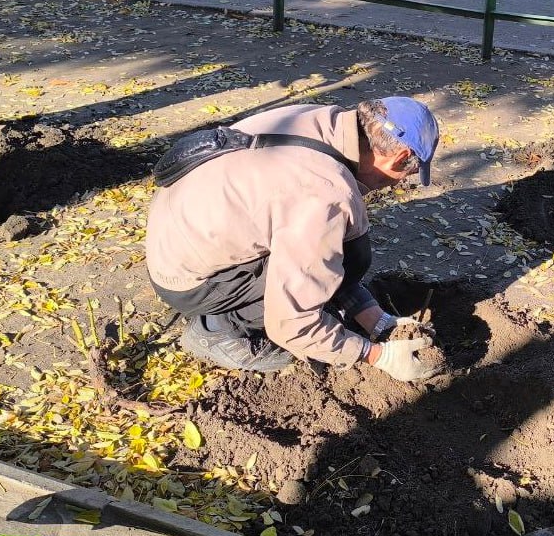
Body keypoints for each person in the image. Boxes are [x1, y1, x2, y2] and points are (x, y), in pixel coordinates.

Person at [145, 96, 441, 382]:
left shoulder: (328, 120)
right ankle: (217, 331)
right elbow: (292, 325)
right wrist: (378, 355)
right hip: (187, 277)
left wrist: (378, 320)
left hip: (182, 228)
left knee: (339, 249)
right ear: (400, 158)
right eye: (410, 173)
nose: (402, 182)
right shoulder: (324, 192)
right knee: (340, 258)